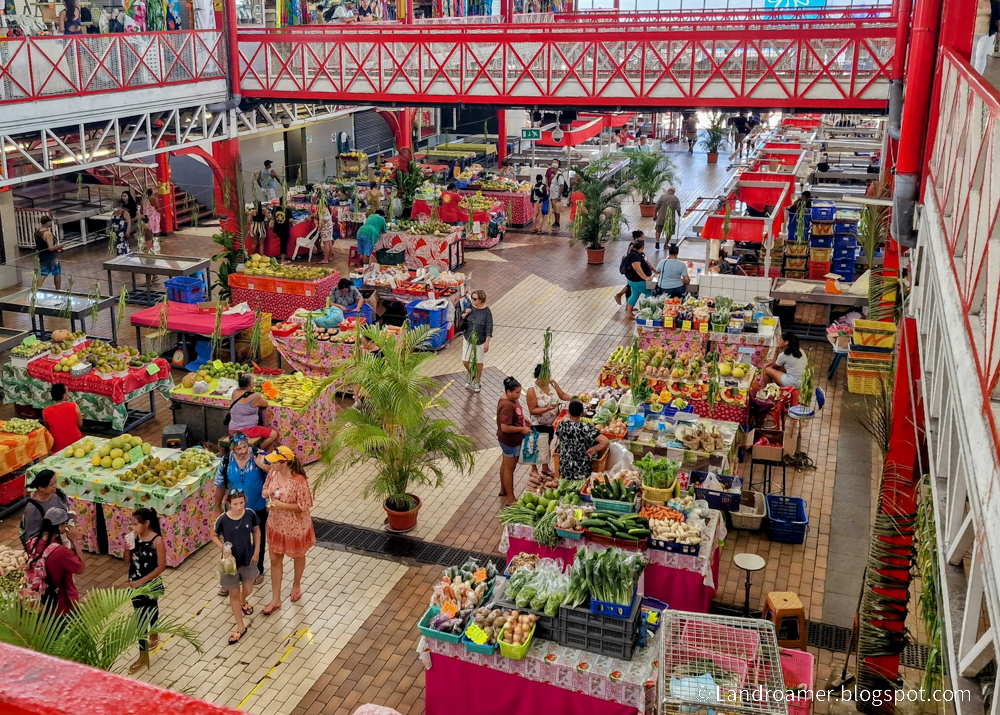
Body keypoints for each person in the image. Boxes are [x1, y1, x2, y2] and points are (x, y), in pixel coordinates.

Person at [261, 446, 315, 614]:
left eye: (275, 462)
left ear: (284, 463)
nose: (271, 465)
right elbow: (266, 488)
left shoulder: (299, 481)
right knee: (275, 560)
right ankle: (275, 598)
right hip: (276, 524)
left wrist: (281, 505)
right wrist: (267, 493)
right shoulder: (273, 473)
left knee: (298, 556)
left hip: (295, 528)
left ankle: (296, 585)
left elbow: (304, 505)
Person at [212, 432, 269, 590]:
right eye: (239, 449)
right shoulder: (226, 462)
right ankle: (229, 577)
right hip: (234, 511)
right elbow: (220, 485)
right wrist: (217, 507)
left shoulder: (259, 455)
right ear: (232, 449)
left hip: (257, 507)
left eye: (245, 447)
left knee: (258, 539)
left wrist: (263, 465)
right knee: (230, 543)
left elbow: (274, 474)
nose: (243, 451)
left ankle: (257, 569)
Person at [212, 489, 261, 644]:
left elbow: (257, 531)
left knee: (249, 588)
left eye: (241, 503)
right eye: (235, 504)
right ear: (229, 504)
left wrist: (257, 551)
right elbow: (213, 535)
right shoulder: (222, 520)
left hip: (247, 558)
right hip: (230, 563)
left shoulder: (250, 514)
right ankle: (240, 626)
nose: (239, 507)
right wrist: (222, 547)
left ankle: (243, 600)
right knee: (233, 594)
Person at [124, 507, 166, 673]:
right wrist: (127, 547)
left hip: (149, 583)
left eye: (136, 524)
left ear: (146, 523)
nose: (134, 528)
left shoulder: (157, 540)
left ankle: (154, 632)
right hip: (135, 583)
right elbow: (127, 560)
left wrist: (142, 581)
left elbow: (161, 566)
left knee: (152, 608)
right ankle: (143, 654)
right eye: (132, 525)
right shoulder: (134, 537)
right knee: (140, 619)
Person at [26, 507, 85, 615]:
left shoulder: (32, 542)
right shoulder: (60, 552)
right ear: (59, 526)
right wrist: (75, 541)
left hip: (41, 595)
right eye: (65, 523)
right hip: (62, 601)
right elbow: (80, 568)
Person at [525, 364, 572, 483]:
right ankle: (533, 469)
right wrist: (547, 408)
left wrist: (573, 398)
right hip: (538, 423)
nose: (550, 377)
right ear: (540, 377)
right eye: (547, 376)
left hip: (552, 422)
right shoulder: (532, 390)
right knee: (537, 445)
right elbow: (532, 410)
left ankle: (545, 467)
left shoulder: (552, 383)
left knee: (547, 444)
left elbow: (562, 395)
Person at [496, 377, 531, 506]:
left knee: (505, 465)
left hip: (508, 440)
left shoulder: (511, 399)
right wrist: (522, 429)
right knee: (509, 469)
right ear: (508, 392)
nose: (519, 395)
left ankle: (503, 489)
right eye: (516, 393)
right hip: (510, 441)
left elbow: (515, 414)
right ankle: (510, 499)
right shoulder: (507, 405)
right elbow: (505, 427)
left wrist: (523, 420)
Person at [555, 399, 609, 480]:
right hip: (582, 467)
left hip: (566, 466)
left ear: (568, 412)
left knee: (566, 483)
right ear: (582, 413)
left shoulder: (562, 424)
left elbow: (559, 437)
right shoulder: (586, 427)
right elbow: (605, 441)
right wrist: (594, 449)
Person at [229, 374, 280, 450]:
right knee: (274, 434)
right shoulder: (255, 396)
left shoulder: (234, 392)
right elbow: (265, 404)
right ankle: (258, 450)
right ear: (250, 384)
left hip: (232, 429)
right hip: (247, 430)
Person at [21, 469, 70, 546]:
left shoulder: (57, 493)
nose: (55, 486)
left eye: (55, 482)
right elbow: (32, 537)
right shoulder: (32, 508)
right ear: (41, 488)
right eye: (51, 484)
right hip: (47, 544)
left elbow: (67, 507)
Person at [461, 289, 492, 392]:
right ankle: (471, 375)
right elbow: (462, 319)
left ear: (481, 300)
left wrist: (487, 342)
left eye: (475, 299)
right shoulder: (470, 307)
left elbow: (489, 328)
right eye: (472, 298)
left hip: (480, 340)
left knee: (479, 361)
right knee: (465, 360)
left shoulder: (486, 311)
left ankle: (477, 382)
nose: (472, 300)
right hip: (468, 337)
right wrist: (465, 314)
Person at [43, 383, 82, 454]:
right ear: (64, 396)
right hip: (76, 444)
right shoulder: (74, 406)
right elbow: (80, 424)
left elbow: (47, 429)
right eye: (67, 392)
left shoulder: (46, 411)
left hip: (57, 447)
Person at [623, 238, 654, 320]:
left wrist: (654, 270)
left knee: (634, 295)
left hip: (633, 280)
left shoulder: (635, 253)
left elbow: (646, 263)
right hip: (637, 281)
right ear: (642, 247)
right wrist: (646, 278)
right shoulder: (635, 256)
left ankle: (629, 313)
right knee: (649, 292)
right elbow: (637, 268)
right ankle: (645, 312)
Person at [34, 216, 65, 290]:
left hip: (42, 255)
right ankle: (58, 290)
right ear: (48, 222)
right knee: (57, 272)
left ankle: (36, 289)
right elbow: (51, 248)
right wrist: (60, 247)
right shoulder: (47, 233)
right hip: (51, 256)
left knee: (43, 273)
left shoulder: (37, 231)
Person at [546, 161, 566, 230]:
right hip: (552, 195)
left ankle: (557, 223)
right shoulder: (554, 175)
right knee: (554, 210)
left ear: (554, 169)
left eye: (552, 169)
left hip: (556, 195)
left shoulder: (559, 176)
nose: (551, 170)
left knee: (557, 210)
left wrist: (559, 195)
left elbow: (561, 185)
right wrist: (550, 179)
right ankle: (555, 222)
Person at [317, 196, 334, 264]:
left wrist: (319, 229)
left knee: (326, 244)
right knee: (329, 243)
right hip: (329, 228)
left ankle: (325, 259)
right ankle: (329, 257)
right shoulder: (328, 209)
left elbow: (322, 222)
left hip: (325, 229)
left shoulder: (322, 211)